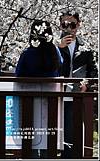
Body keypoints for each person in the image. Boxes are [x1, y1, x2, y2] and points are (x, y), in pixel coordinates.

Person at [15, 20, 62, 159]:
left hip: (29, 98)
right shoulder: (54, 52)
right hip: (50, 98)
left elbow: (19, 72)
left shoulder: (28, 52)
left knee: (31, 134)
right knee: (49, 132)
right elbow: (59, 67)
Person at [56, 11, 97, 158]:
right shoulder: (53, 44)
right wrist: (58, 48)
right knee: (54, 130)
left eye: (72, 25)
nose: (68, 28)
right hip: (56, 93)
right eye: (64, 25)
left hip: (76, 94)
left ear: (78, 25)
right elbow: (50, 65)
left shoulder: (85, 46)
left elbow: (93, 70)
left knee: (72, 131)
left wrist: (86, 83)